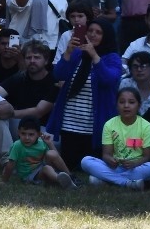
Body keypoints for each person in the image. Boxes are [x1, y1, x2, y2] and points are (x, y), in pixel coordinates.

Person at [47, 19, 123, 174]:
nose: (93, 35)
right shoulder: (76, 54)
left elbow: (108, 79)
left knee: (89, 166)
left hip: (94, 124)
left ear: (106, 36)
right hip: (70, 122)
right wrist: (68, 52)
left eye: (98, 32)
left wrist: (94, 55)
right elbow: (58, 74)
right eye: (90, 31)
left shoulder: (112, 58)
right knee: (71, 166)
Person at [80, 87, 150, 188]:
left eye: (131, 102)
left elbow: (148, 157)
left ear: (139, 105)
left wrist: (134, 163)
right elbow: (106, 155)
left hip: (136, 168)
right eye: (122, 102)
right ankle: (127, 183)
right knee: (86, 161)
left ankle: (107, 181)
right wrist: (111, 160)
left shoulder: (147, 126)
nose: (126, 106)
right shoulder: (109, 124)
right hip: (115, 167)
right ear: (116, 105)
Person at [0, 41, 59, 131]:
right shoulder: (20, 76)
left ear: (46, 61)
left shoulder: (53, 81)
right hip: (20, 123)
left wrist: (8, 112)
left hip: (44, 129)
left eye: (37, 57)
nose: (32, 61)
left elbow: (38, 112)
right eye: (28, 58)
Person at [2, 117, 76, 187]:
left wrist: (50, 143)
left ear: (38, 134)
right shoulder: (17, 145)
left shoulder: (41, 143)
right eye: (23, 133)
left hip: (41, 167)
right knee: (47, 168)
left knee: (51, 154)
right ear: (18, 132)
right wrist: (5, 181)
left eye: (31, 134)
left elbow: (56, 156)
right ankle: (60, 180)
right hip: (29, 175)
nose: (27, 138)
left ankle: (70, 176)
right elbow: (10, 165)